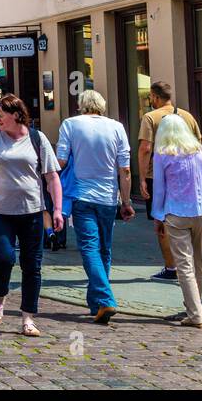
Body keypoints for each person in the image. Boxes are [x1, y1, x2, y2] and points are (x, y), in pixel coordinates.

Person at [0, 94, 63, 337]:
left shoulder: (37, 138)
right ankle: (0, 296)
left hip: (32, 211)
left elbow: (52, 176)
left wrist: (56, 209)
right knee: (4, 257)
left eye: (1, 114)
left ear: (16, 114)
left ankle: (28, 318)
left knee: (32, 265)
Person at [55, 89, 135, 324]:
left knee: (89, 248)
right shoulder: (117, 127)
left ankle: (105, 298)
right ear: (102, 106)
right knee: (104, 250)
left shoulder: (70, 125)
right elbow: (126, 170)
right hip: (108, 198)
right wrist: (127, 201)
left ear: (81, 105)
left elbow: (60, 161)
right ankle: (96, 304)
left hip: (82, 195)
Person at [151, 114, 202, 328]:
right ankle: (195, 307)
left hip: (176, 214)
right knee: (198, 261)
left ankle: (195, 313)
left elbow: (160, 190)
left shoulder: (162, 155)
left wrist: (157, 216)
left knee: (184, 265)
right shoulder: (200, 151)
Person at [138, 81, 202, 282]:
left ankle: (171, 267)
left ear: (154, 96)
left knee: (162, 221)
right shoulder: (187, 116)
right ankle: (193, 256)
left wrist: (142, 178)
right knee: (187, 214)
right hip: (188, 175)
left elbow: (145, 148)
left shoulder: (150, 117)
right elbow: (199, 144)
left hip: (158, 175)